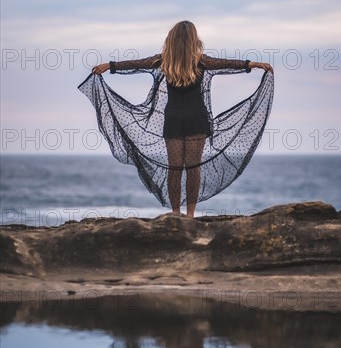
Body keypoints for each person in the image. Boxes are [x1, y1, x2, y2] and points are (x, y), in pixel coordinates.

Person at [80, 20, 274, 217]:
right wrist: (252, 64)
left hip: (173, 120)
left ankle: (176, 213)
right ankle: (189, 215)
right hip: (196, 121)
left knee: (175, 169)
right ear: (193, 39)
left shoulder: (165, 61)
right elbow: (228, 64)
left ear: (171, 39)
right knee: (193, 169)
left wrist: (110, 66)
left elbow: (135, 64)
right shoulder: (199, 61)